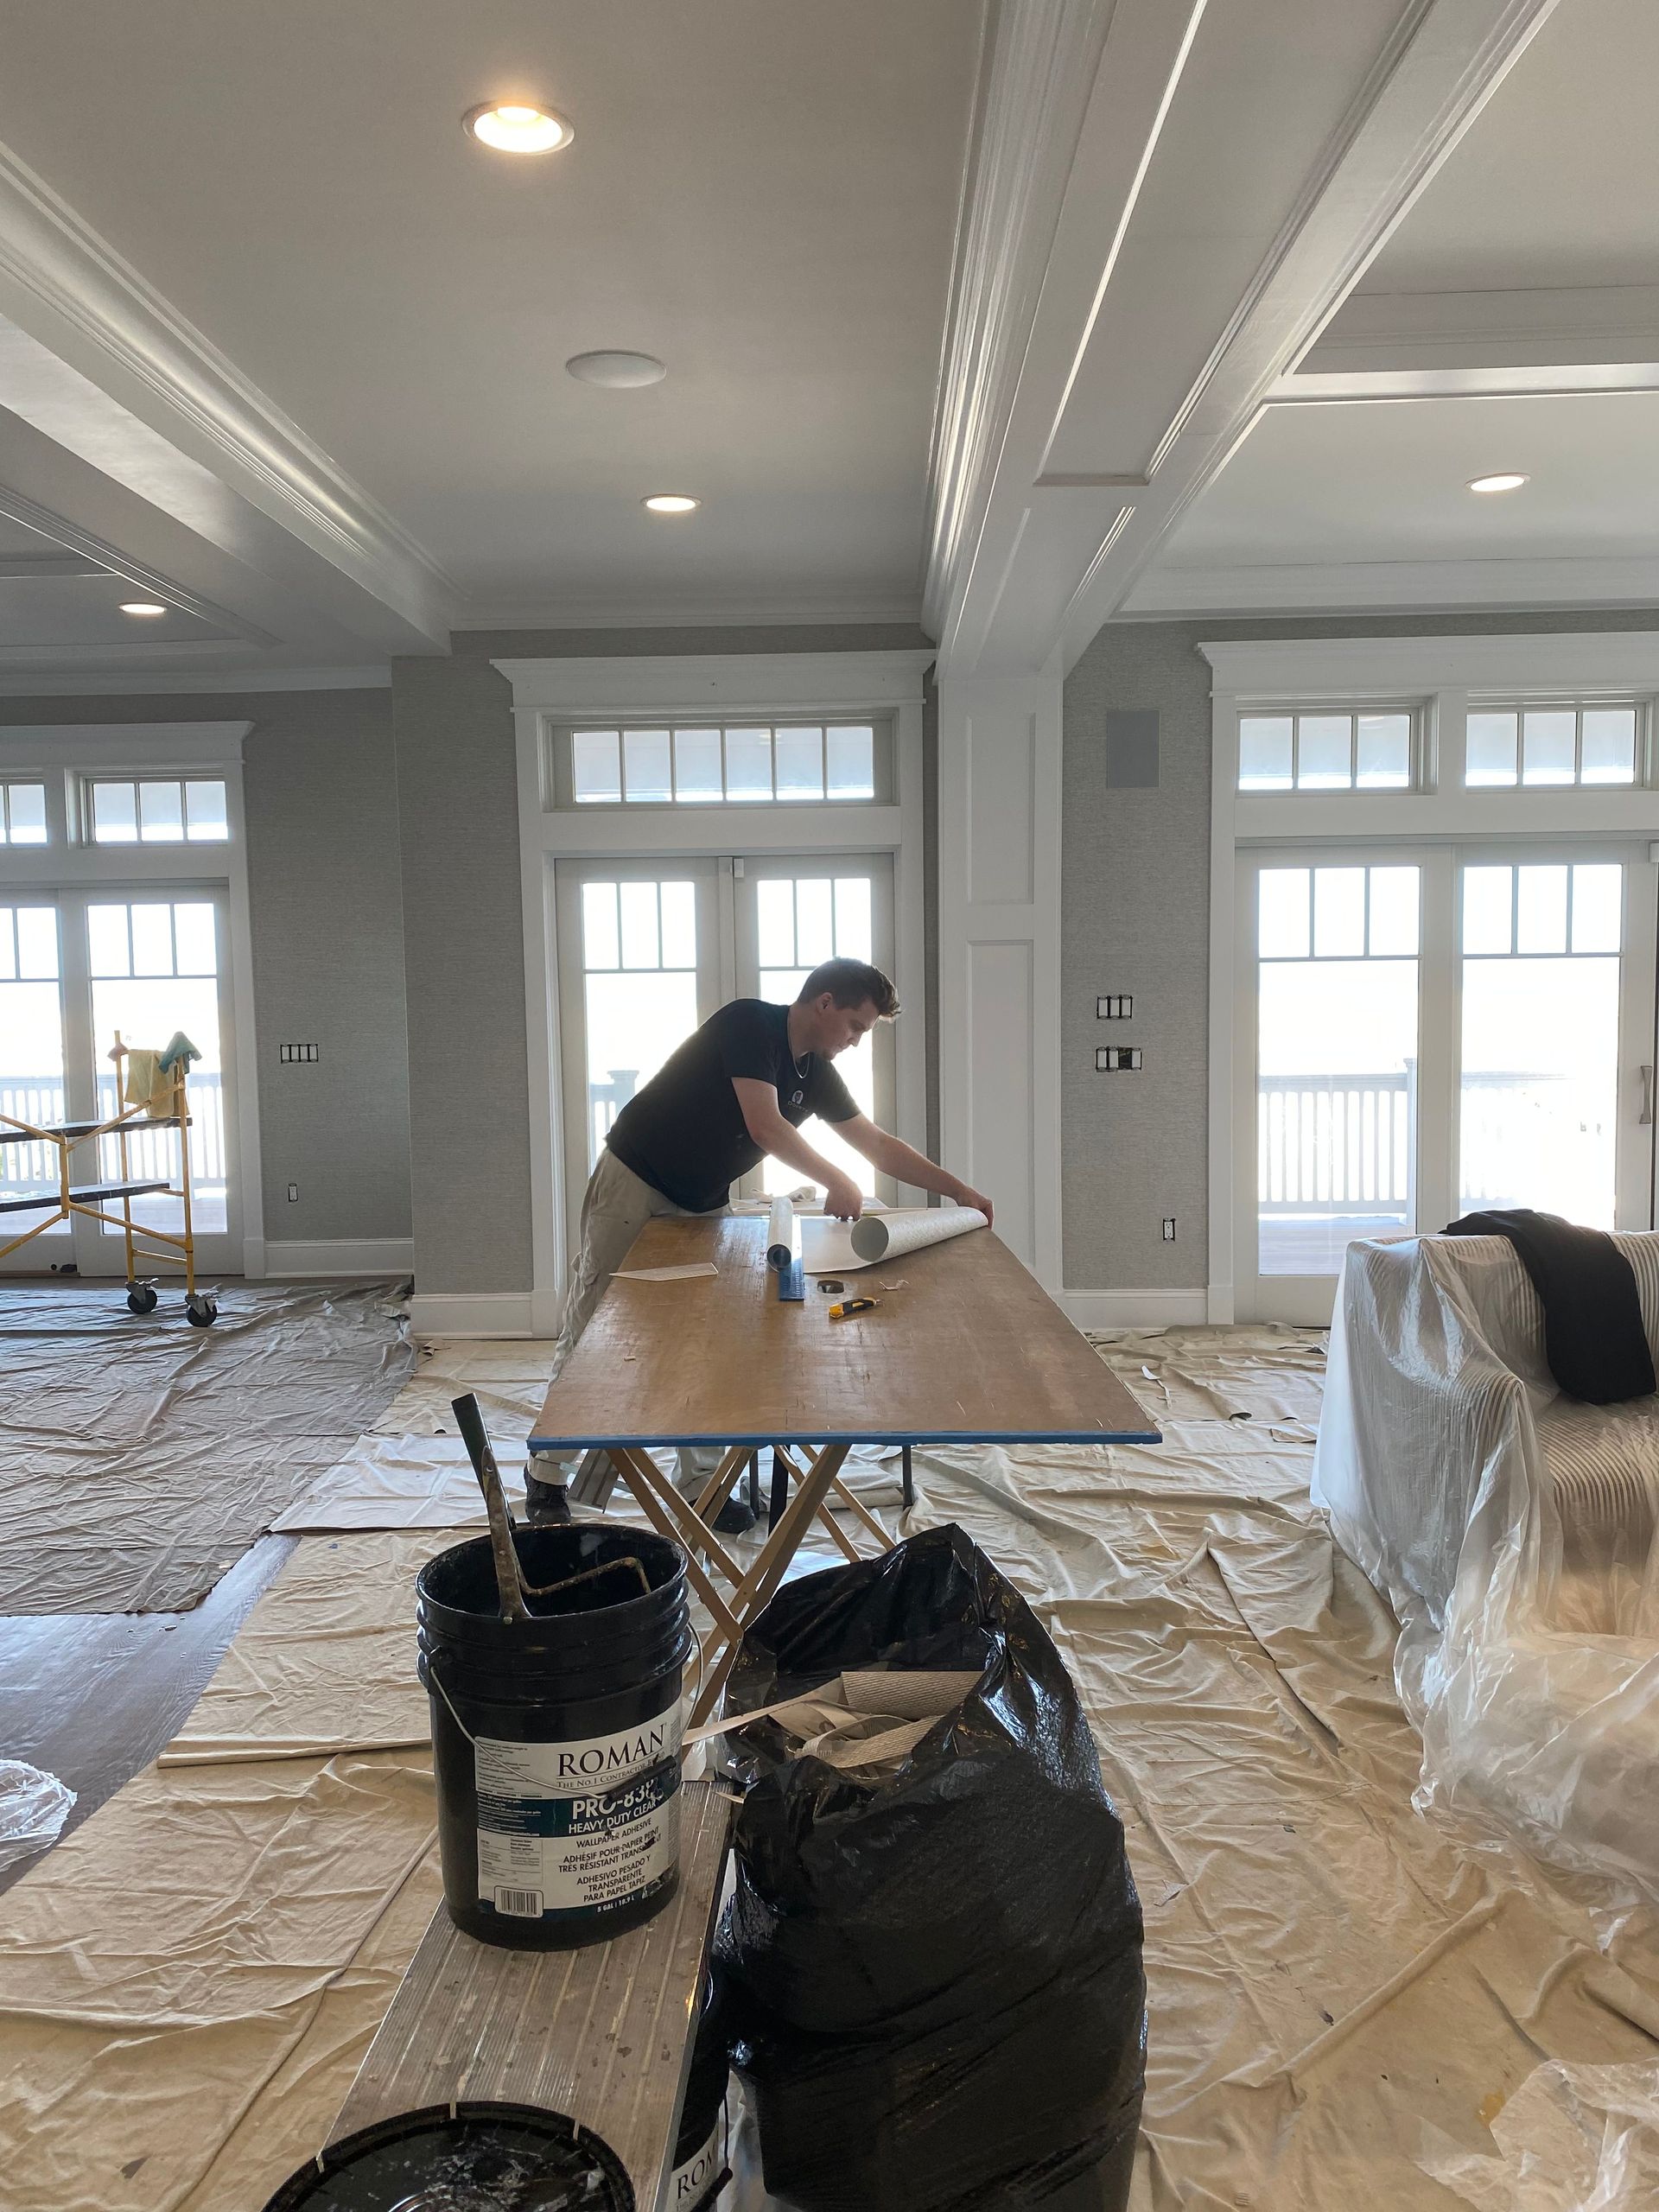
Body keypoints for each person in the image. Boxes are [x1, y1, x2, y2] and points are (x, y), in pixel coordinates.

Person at [543, 957, 993, 1529]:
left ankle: (700, 1483)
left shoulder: (816, 1075)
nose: (856, 1042)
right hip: (635, 1177)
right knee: (594, 1324)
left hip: (701, 1196)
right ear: (824, 1003)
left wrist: (960, 1191)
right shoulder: (750, 1025)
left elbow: (877, 1144)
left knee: (701, 1339)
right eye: (856, 1026)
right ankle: (548, 1475)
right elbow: (764, 1124)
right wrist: (836, 1179)